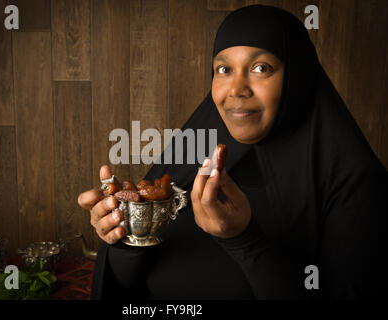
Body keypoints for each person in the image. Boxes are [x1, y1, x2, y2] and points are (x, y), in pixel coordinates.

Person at [78, 5, 388, 299]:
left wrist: (244, 241)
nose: (236, 89)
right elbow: (128, 286)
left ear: (298, 77)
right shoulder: (194, 153)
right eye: (224, 69)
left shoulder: (356, 185)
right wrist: (128, 234)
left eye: (260, 68)